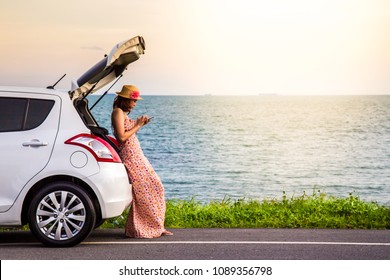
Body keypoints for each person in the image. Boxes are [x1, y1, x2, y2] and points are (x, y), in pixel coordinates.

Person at [111, 85, 173, 238]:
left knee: (155, 188)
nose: (135, 103)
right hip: (131, 157)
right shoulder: (117, 112)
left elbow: (127, 134)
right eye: (134, 100)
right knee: (147, 190)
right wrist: (137, 125)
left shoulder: (122, 113)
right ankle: (146, 228)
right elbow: (122, 137)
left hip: (137, 156)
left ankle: (155, 226)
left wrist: (140, 124)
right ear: (126, 99)